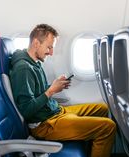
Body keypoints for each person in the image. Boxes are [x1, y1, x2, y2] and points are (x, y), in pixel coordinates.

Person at [10, 24, 116, 157]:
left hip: (56, 111)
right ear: (36, 43)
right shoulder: (23, 69)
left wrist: (55, 85)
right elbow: (26, 110)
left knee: (102, 109)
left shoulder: (34, 63)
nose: (51, 52)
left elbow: (38, 92)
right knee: (108, 127)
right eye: (49, 47)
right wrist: (51, 91)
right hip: (45, 125)